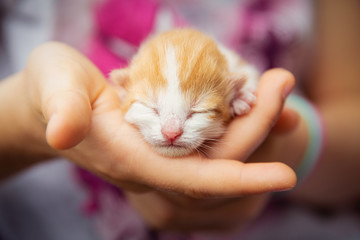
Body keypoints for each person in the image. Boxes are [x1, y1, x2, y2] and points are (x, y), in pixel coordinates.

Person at [0, 0, 359, 239]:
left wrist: (287, 143)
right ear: (122, 87)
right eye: (152, 110)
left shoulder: (236, 80)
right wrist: (28, 120)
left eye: (198, 111)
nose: (171, 132)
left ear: (235, 93)